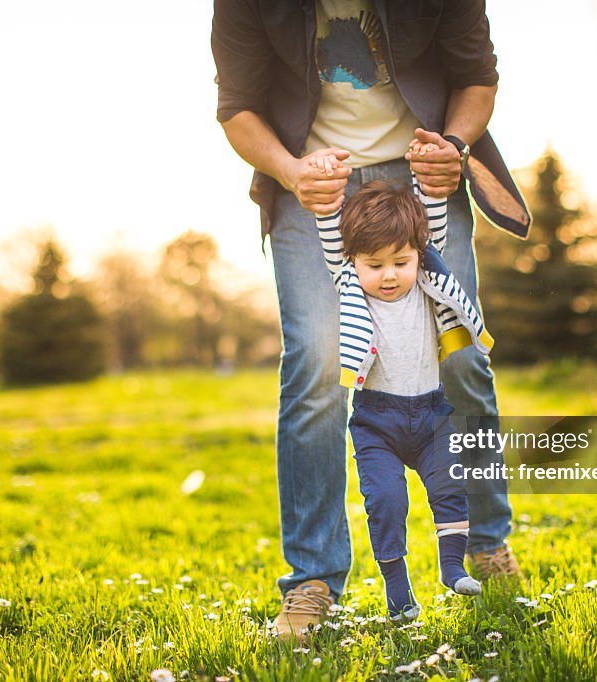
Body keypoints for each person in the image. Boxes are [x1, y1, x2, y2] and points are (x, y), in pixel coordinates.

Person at [211, 0, 532, 641]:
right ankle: (311, 580)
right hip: (312, 181)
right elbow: (237, 107)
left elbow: (476, 75)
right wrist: (290, 171)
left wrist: (456, 147)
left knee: (461, 353)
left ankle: (489, 547)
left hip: (424, 176)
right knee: (317, 364)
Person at [315, 161, 488, 622]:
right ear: (353, 261)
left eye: (400, 262)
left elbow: (431, 217)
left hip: (432, 414)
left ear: (418, 254)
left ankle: (452, 569)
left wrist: (426, 164)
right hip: (376, 420)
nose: (389, 275)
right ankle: (398, 592)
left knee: (450, 486)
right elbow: (331, 230)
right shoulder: (350, 283)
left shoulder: (427, 283)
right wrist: (326, 191)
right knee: (386, 502)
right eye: (375, 265)